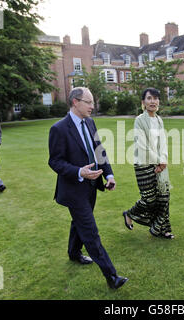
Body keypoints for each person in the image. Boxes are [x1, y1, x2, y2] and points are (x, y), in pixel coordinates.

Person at [48, 87, 128, 290]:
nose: (93, 106)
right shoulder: (59, 129)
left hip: (92, 187)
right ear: (75, 102)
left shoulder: (90, 122)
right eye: (89, 102)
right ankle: (112, 277)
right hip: (74, 190)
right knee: (90, 231)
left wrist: (108, 174)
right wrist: (78, 172)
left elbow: (99, 150)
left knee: (79, 223)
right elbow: (55, 161)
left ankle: (74, 253)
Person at [123, 88, 174, 239]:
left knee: (163, 197)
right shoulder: (139, 120)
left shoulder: (159, 120)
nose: (153, 101)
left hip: (160, 164)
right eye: (149, 98)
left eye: (156, 98)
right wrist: (159, 161)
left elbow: (163, 142)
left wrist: (163, 160)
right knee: (149, 200)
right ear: (143, 102)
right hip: (144, 165)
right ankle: (130, 213)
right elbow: (142, 145)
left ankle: (162, 229)